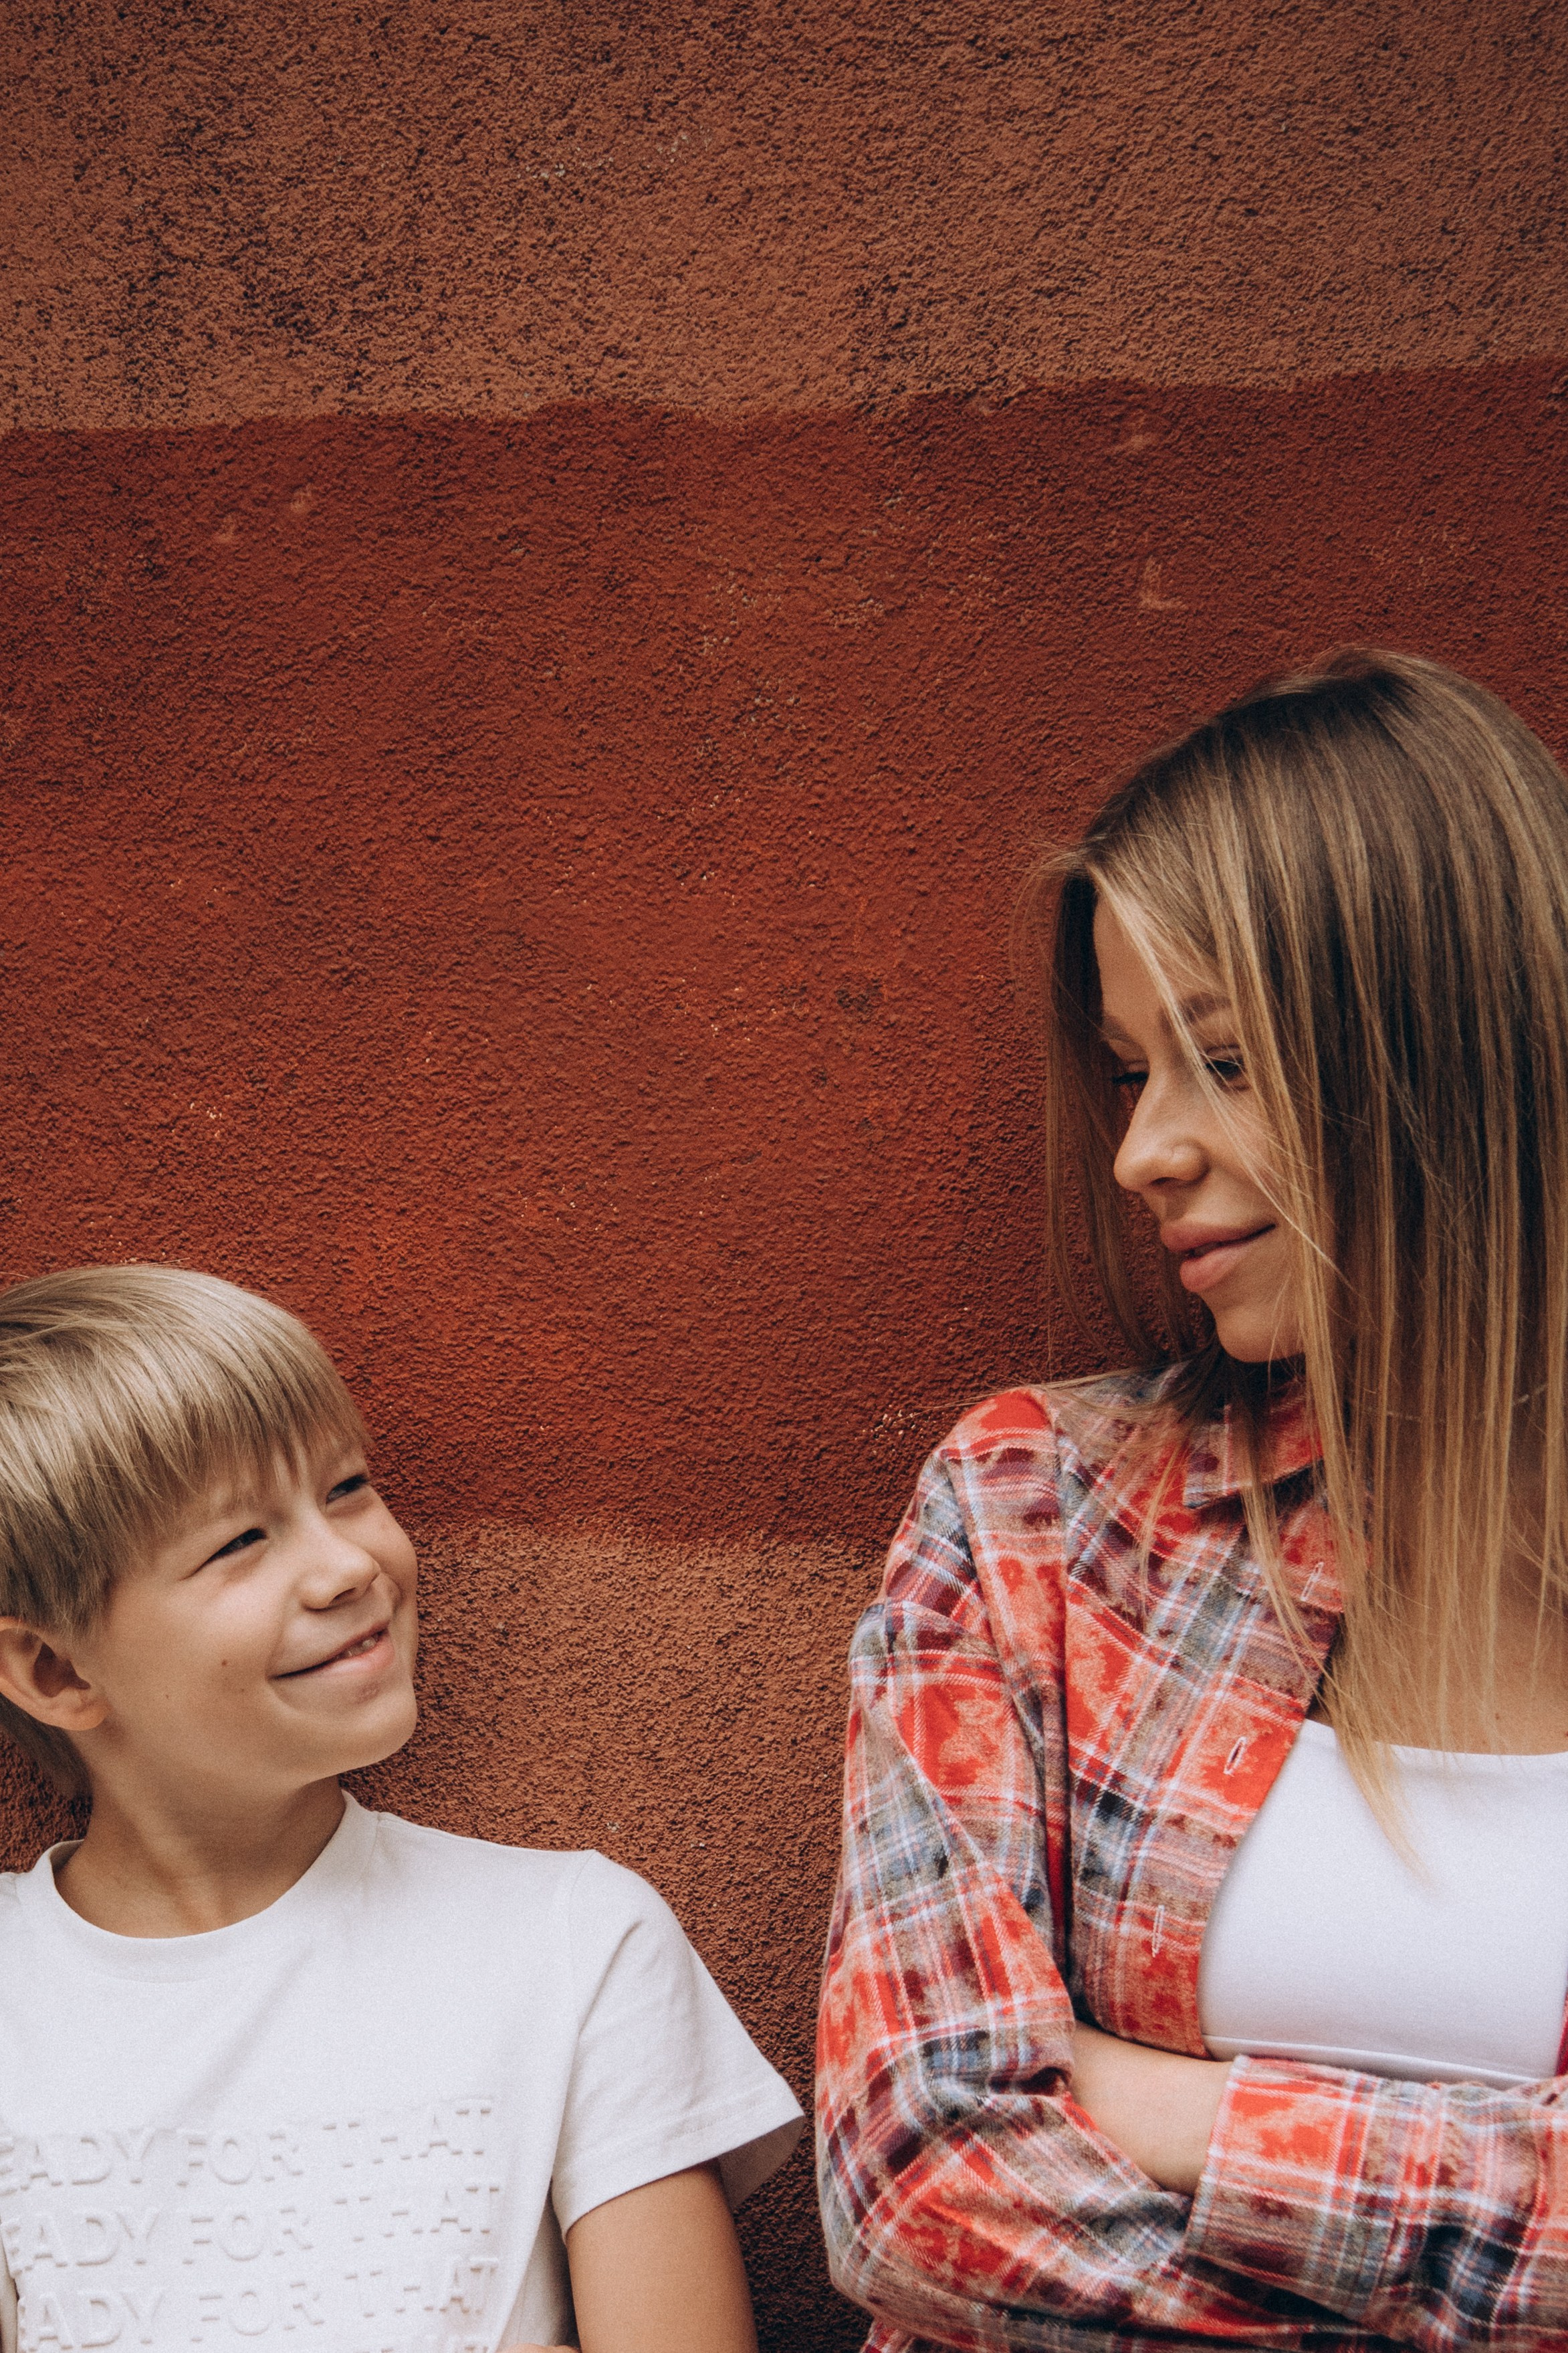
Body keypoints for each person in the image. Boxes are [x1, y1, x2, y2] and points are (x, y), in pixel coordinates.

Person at [816, 648, 1568, 2351]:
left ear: (1455, 1049)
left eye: (1221, 1061)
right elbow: (919, 2177)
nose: (1142, 1148)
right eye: (1134, 1069)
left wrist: (1179, 2113)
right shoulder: (1037, 1514)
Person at [0, 1263, 802, 2353]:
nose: (345, 1565)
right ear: (53, 1671)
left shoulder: (572, 1939)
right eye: (239, 1541)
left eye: (345, 1488)